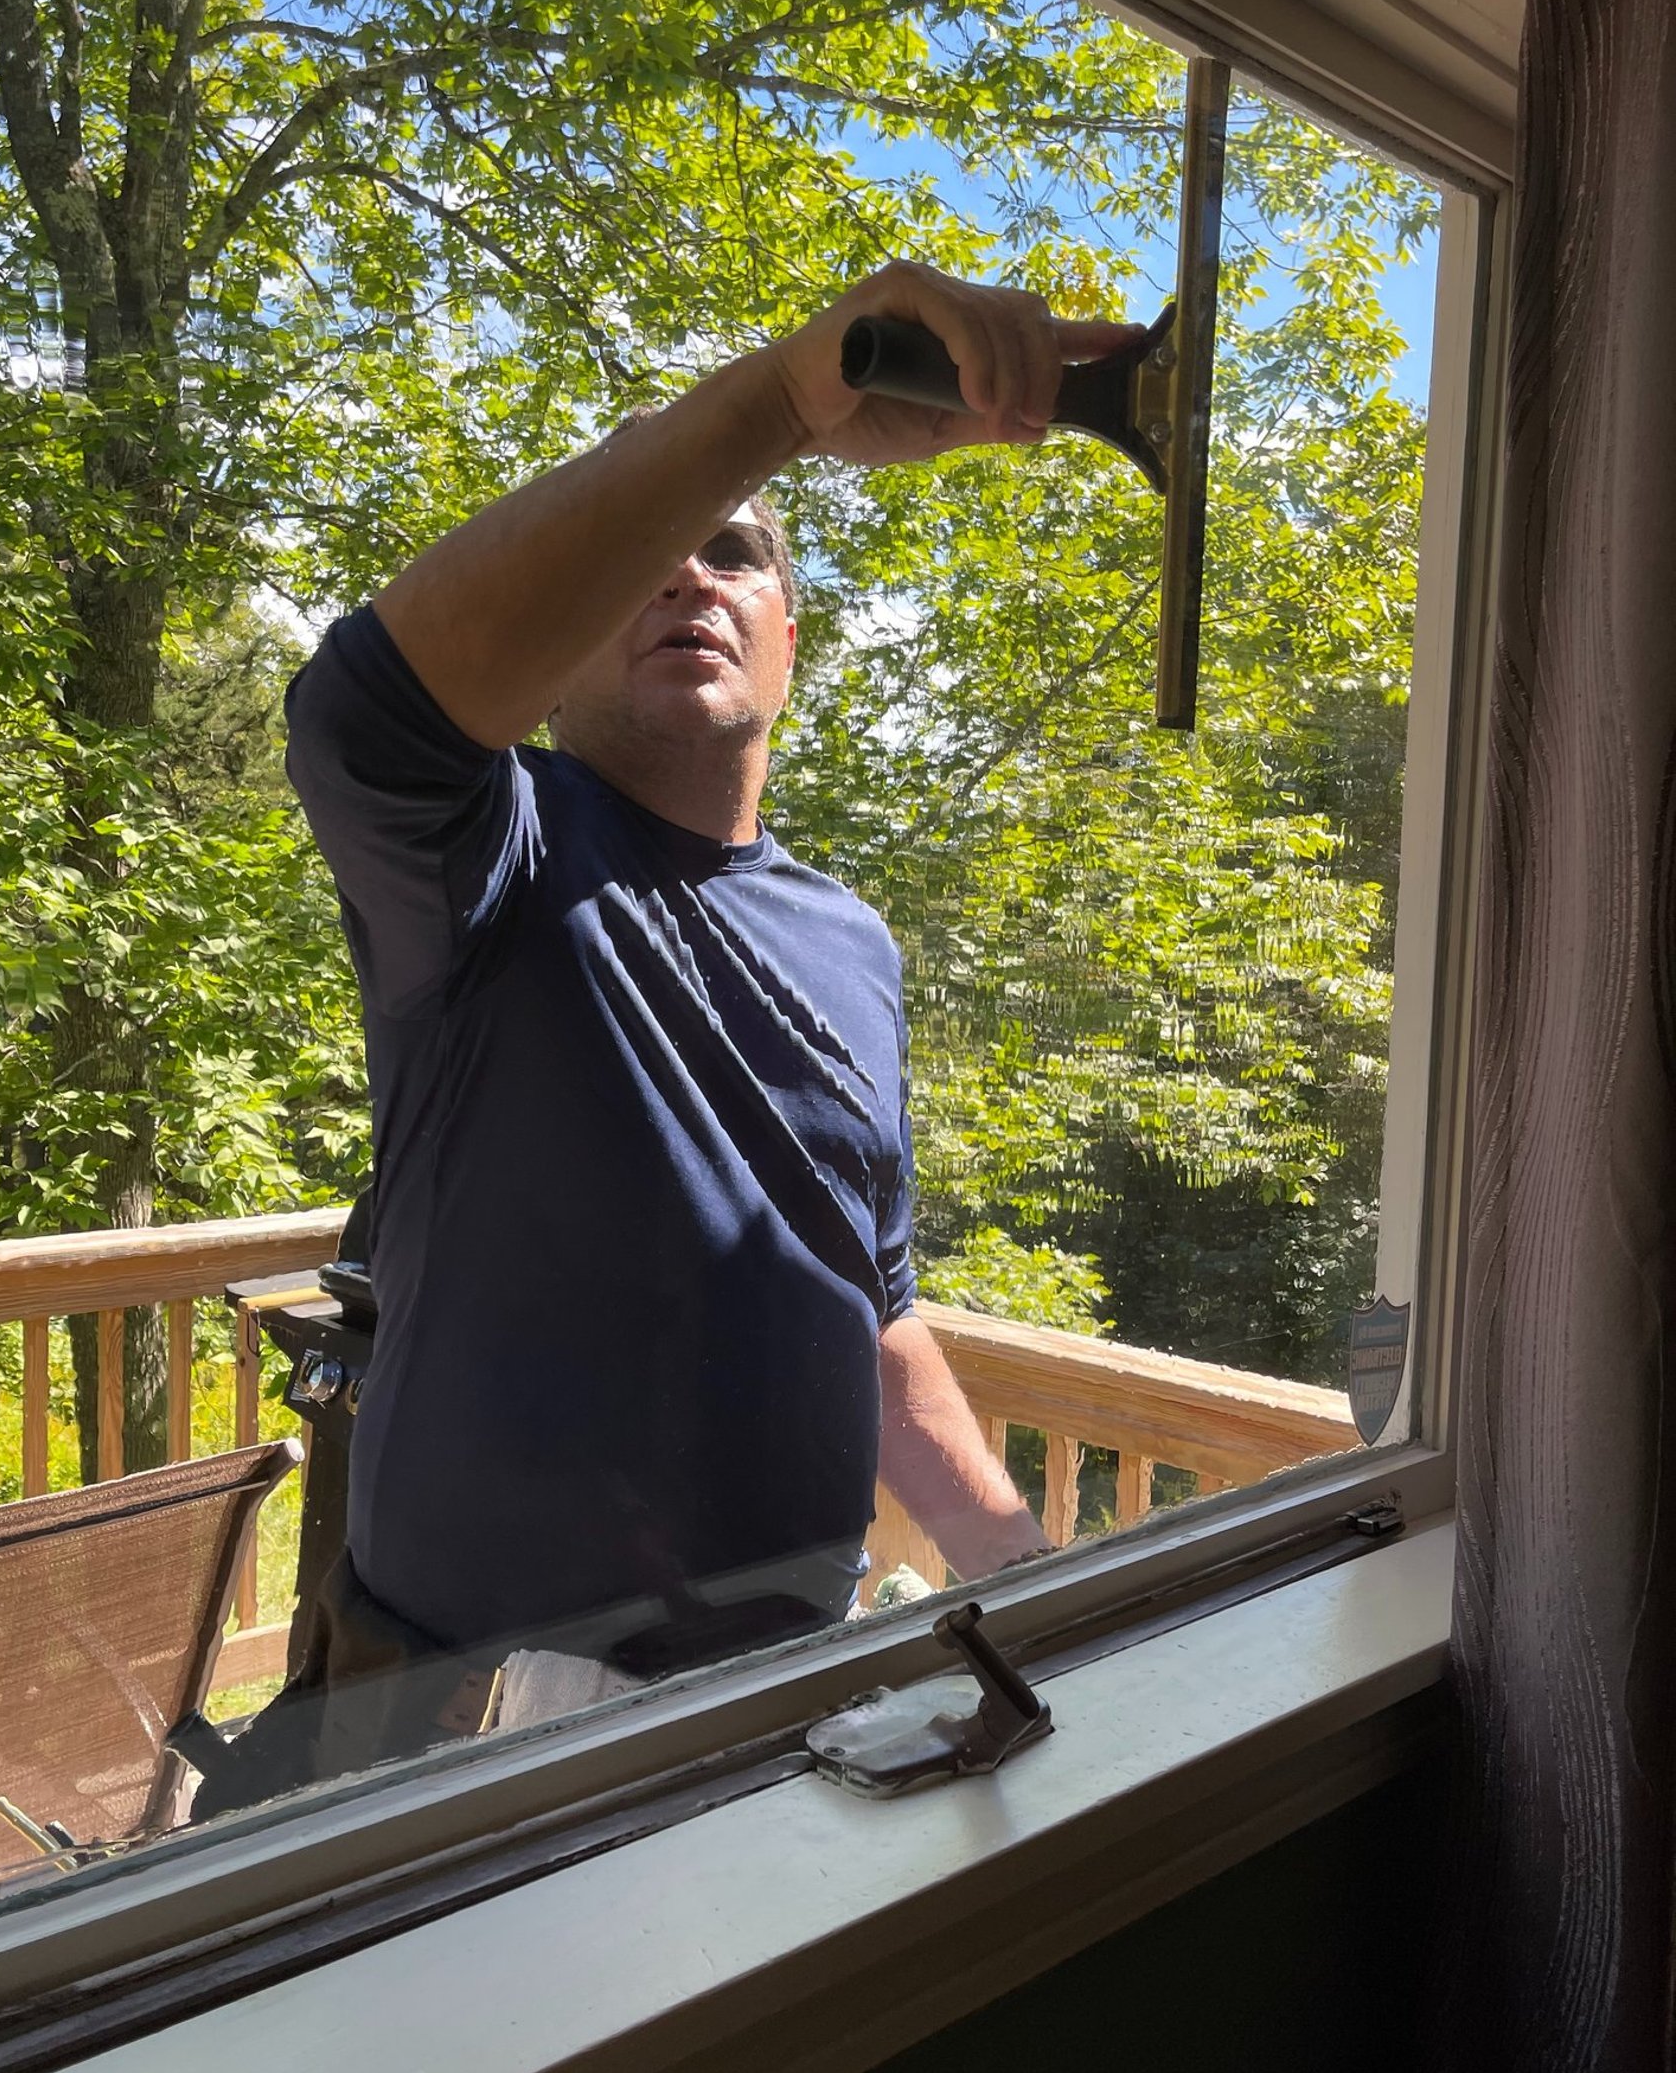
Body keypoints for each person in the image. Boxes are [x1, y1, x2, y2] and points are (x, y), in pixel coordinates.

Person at [276, 260, 1142, 1768]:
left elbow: (867, 1310)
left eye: (732, 556)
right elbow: (365, 718)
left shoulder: (852, 944)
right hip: (459, 1727)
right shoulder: (485, 863)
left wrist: (1033, 1581)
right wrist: (779, 408)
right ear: (552, 654)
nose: (686, 576)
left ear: (791, 643)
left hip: (788, 1715)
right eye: (647, 560)